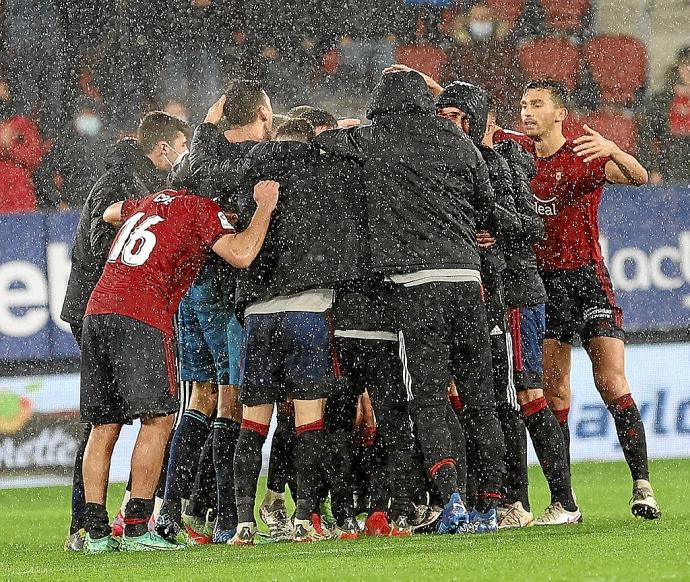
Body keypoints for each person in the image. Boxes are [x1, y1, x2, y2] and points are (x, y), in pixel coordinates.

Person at [316, 70, 506, 534]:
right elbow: (485, 205)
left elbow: (325, 144)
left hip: (417, 288)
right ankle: (491, 506)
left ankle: (452, 500)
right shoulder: (461, 142)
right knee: (482, 401)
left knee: (429, 402)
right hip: (468, 281)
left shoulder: (376, 137)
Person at [79, 180, 280, 554]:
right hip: (141, 315)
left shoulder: (150, 203)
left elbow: (109, 211)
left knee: (103, 426)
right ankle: (138, 527)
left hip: (98, 310)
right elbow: (242, 253)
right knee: (158, 421)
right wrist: (264, 207)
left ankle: (95, 533)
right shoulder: (199, 208)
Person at [496, 79, 660, 521]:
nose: (527, 111)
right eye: (523, 104)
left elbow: (639, 177)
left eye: (537, 104)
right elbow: (482, 125)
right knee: (554, 391)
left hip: (587, 281)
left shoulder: (584, 156)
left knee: (610, 381)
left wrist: (613, 149)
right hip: (542, 284)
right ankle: (563, 502)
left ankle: (642, 486)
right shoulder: (517, 154)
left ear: (559, 114)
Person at [229, 115, 363, 545]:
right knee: (310, 421)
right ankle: (305, 516)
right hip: (309, 308)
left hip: (258, 316)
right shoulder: (326, 169)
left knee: (253, 424)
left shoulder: (247, 173)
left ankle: (243, 524)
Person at [60, 111, 190, 552]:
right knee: (121, 420)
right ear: (163, 148)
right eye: (181, 147)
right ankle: (99, 524)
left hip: (103, 308)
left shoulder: (127, 174)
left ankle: (96, 525)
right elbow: (101, 240)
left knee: (107, 422)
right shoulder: (120, 179)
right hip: (111, 310)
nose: (183, 157)